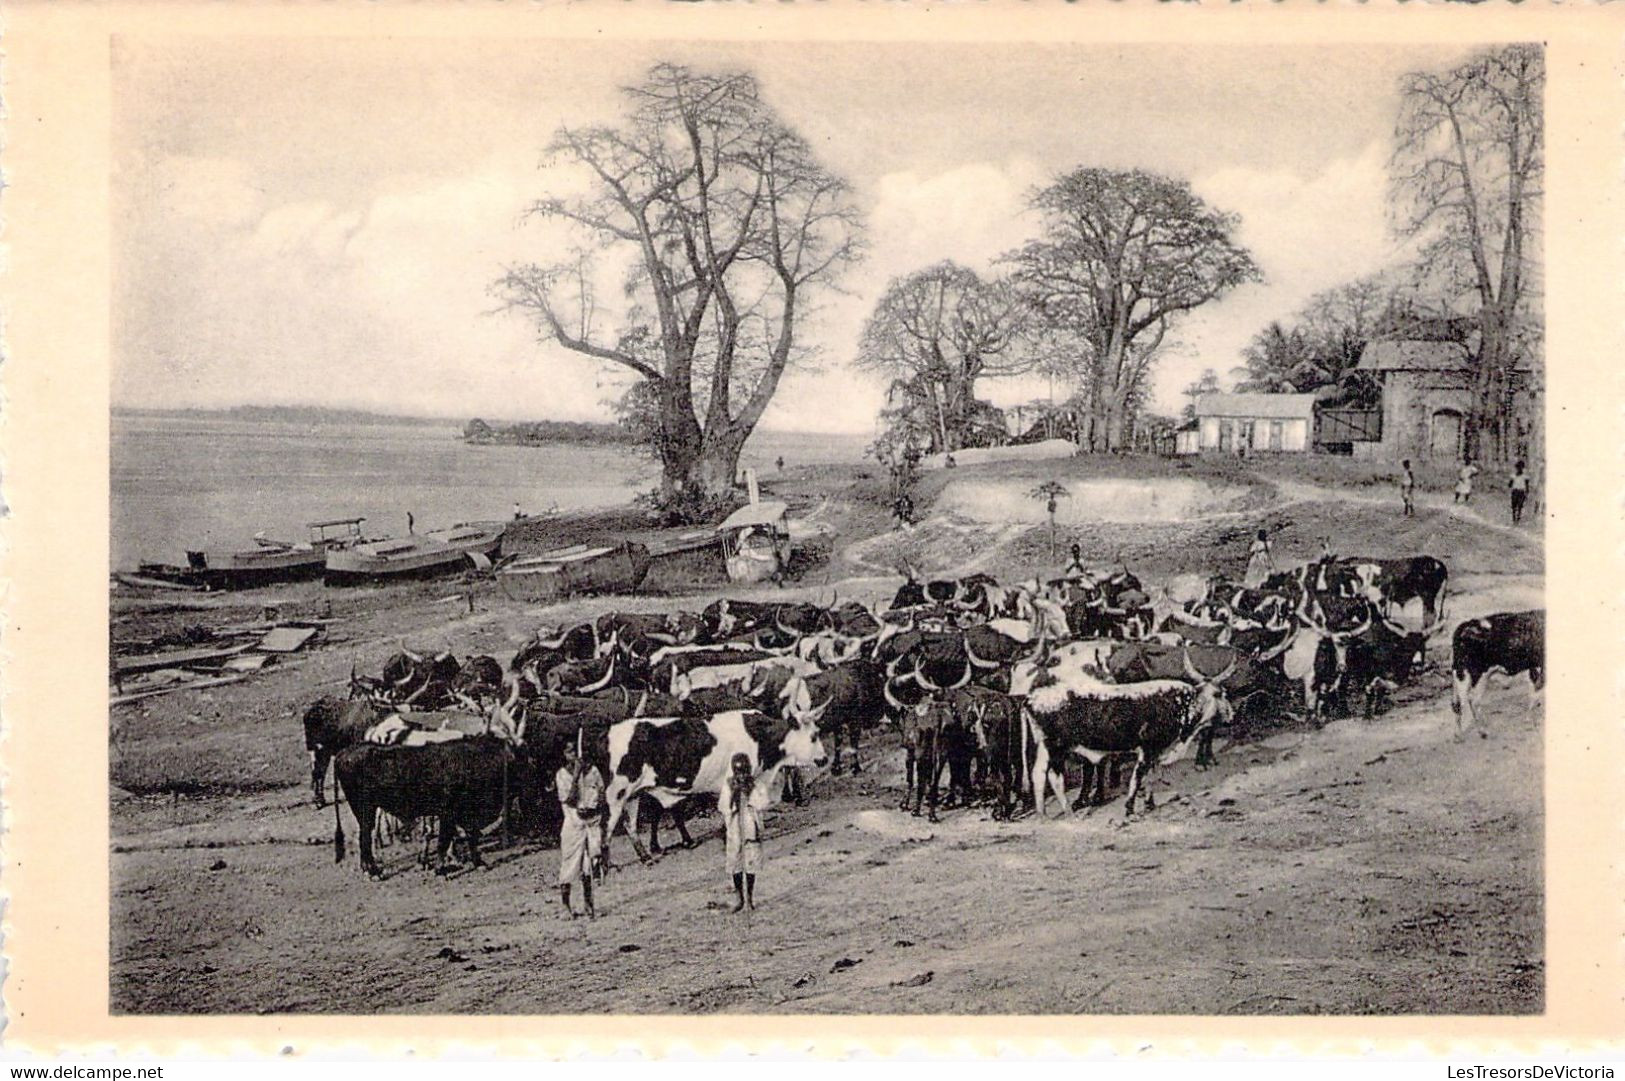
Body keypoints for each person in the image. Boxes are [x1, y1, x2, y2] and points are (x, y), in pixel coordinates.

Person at [555, 739, 605, 919]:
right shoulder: (562, 775)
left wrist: (595, 807)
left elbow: (601, 793)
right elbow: (569, 799)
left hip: (590, 824)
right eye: (569, 752)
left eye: (576, 751)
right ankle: (565, 906)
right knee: (569, 865)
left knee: (588, 867)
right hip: (573, 825)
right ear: (564, 755)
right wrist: (576, 775)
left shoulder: (593, 771)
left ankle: (589, 905)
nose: (574, 755)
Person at [719, 753, 765, 913]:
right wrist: (733, 794)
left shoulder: (756, 784)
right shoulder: (728, 785)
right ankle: (739, 897)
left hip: (751, 828)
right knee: (735, 862)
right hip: (735, 829)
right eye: (738, 772)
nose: (742, 776)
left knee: (751, 862)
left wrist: (750, 792)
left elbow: (762, 804)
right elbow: (724, 807)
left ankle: (750, 898)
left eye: (745, 772)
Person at [1509, 460, 1531, 524]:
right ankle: (1514, 518)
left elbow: (1527, 486)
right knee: (1514, 506)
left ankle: (1517, 518)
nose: (1519, 469)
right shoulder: (1513, 476)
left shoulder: (1525, 477)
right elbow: (1509, 485)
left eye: (1520, 467)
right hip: (1515, 491)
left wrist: (1526, 493)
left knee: (1520, 506)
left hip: (1521, 492)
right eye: (1518, 467)